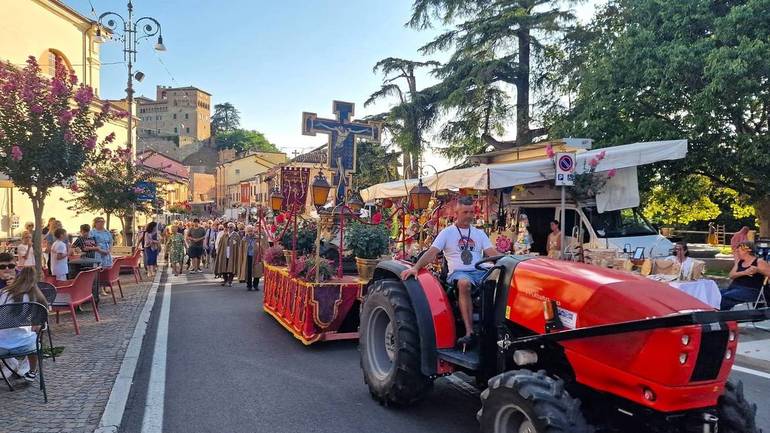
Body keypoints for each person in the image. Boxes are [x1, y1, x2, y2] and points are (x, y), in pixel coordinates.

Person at [400, 196, 498, 347]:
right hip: (459, 272)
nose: (469, 216)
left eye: (471, 212)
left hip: (479, 270)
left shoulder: (479, 233)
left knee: (502, 278)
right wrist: (415, 267)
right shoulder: (447, 233)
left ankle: (497, 327)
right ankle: (469, 332)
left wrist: (509, 262)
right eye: (465, 212)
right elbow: (432, 252)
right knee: (464, 283)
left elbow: (492, 253)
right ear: (456, 213)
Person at [0, 267, 48, 383]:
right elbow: (39, 326)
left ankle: (11, 364)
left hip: (1, 344)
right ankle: (32, 370)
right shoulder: (36, 297)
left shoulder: (5, 293)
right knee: (35, 336)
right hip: (25, 344)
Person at [721, 241, 770, 310]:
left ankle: (723, 316)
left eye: (739, 249)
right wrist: (744, 272)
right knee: (717, 294)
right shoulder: (739, 262)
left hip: (752, 290)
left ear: (747, 250)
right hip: (735, 288)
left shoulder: (759, 262)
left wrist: (758, 270)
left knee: (726, 297)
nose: (737, 251)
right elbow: (731, 275)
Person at [238, 225, 268, 291]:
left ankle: (255, 285)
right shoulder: (244, 239)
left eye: (251, 231)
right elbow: (241, 249)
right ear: (246, 231)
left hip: (256, 256)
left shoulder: (257, 238)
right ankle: (249, 285)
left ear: (253, 231)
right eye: (248, 231)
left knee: (257, 271)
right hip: (248, 256)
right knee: (248, 271)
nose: (250, 232)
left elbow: (262, 246)